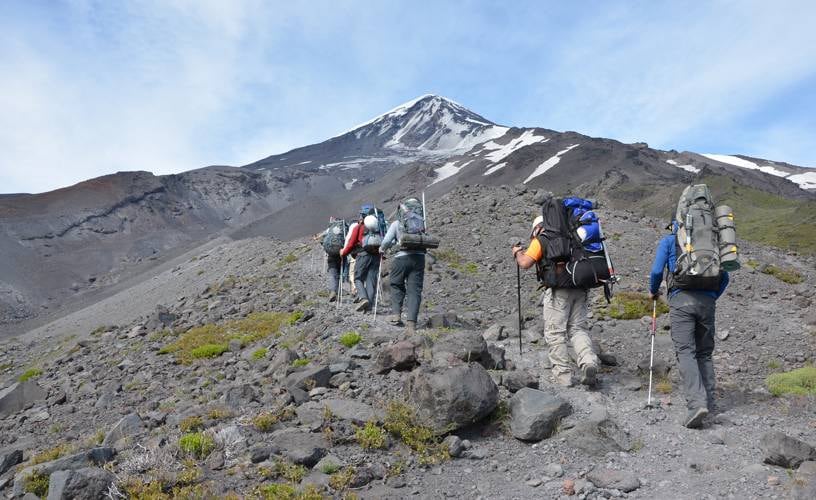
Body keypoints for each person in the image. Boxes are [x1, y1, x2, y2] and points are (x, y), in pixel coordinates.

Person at [649, 221, 729, 428]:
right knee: (704, 353)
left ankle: (696, 405)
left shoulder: (669, 241)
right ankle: (710, 404)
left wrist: (653, 290)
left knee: (686, 352)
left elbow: (657, 271)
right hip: (708, 302)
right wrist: (712, 297)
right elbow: (725, 276)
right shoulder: (712, 243)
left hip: (681, 300)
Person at [512, 215, 601, 388]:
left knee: (556, 333)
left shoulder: (542, 239)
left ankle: (563, 376)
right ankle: (589, 362)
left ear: (538, 227)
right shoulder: (572, 236)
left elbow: (525, 263)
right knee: (577, 329)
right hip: (581, 288)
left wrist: (516, 252)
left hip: (559, 291)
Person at [380, 198, 426, 335]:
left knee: (396, 284)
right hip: (419, 258)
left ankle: (396, 315)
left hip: (401, 258)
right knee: (415, 290)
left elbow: (387, 241)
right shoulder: (421, 223)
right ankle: (411, 324)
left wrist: (382, 249)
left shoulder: (397, 223)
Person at [340, 205, 381, 312]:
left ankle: (363, 298)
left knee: (358, 278)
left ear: (362, 215)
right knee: (371, 280)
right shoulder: (378, 227)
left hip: (363, 255)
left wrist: (343, 252)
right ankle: (370, 306)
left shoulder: (358, 227)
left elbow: (351, 243)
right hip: (376, 256)